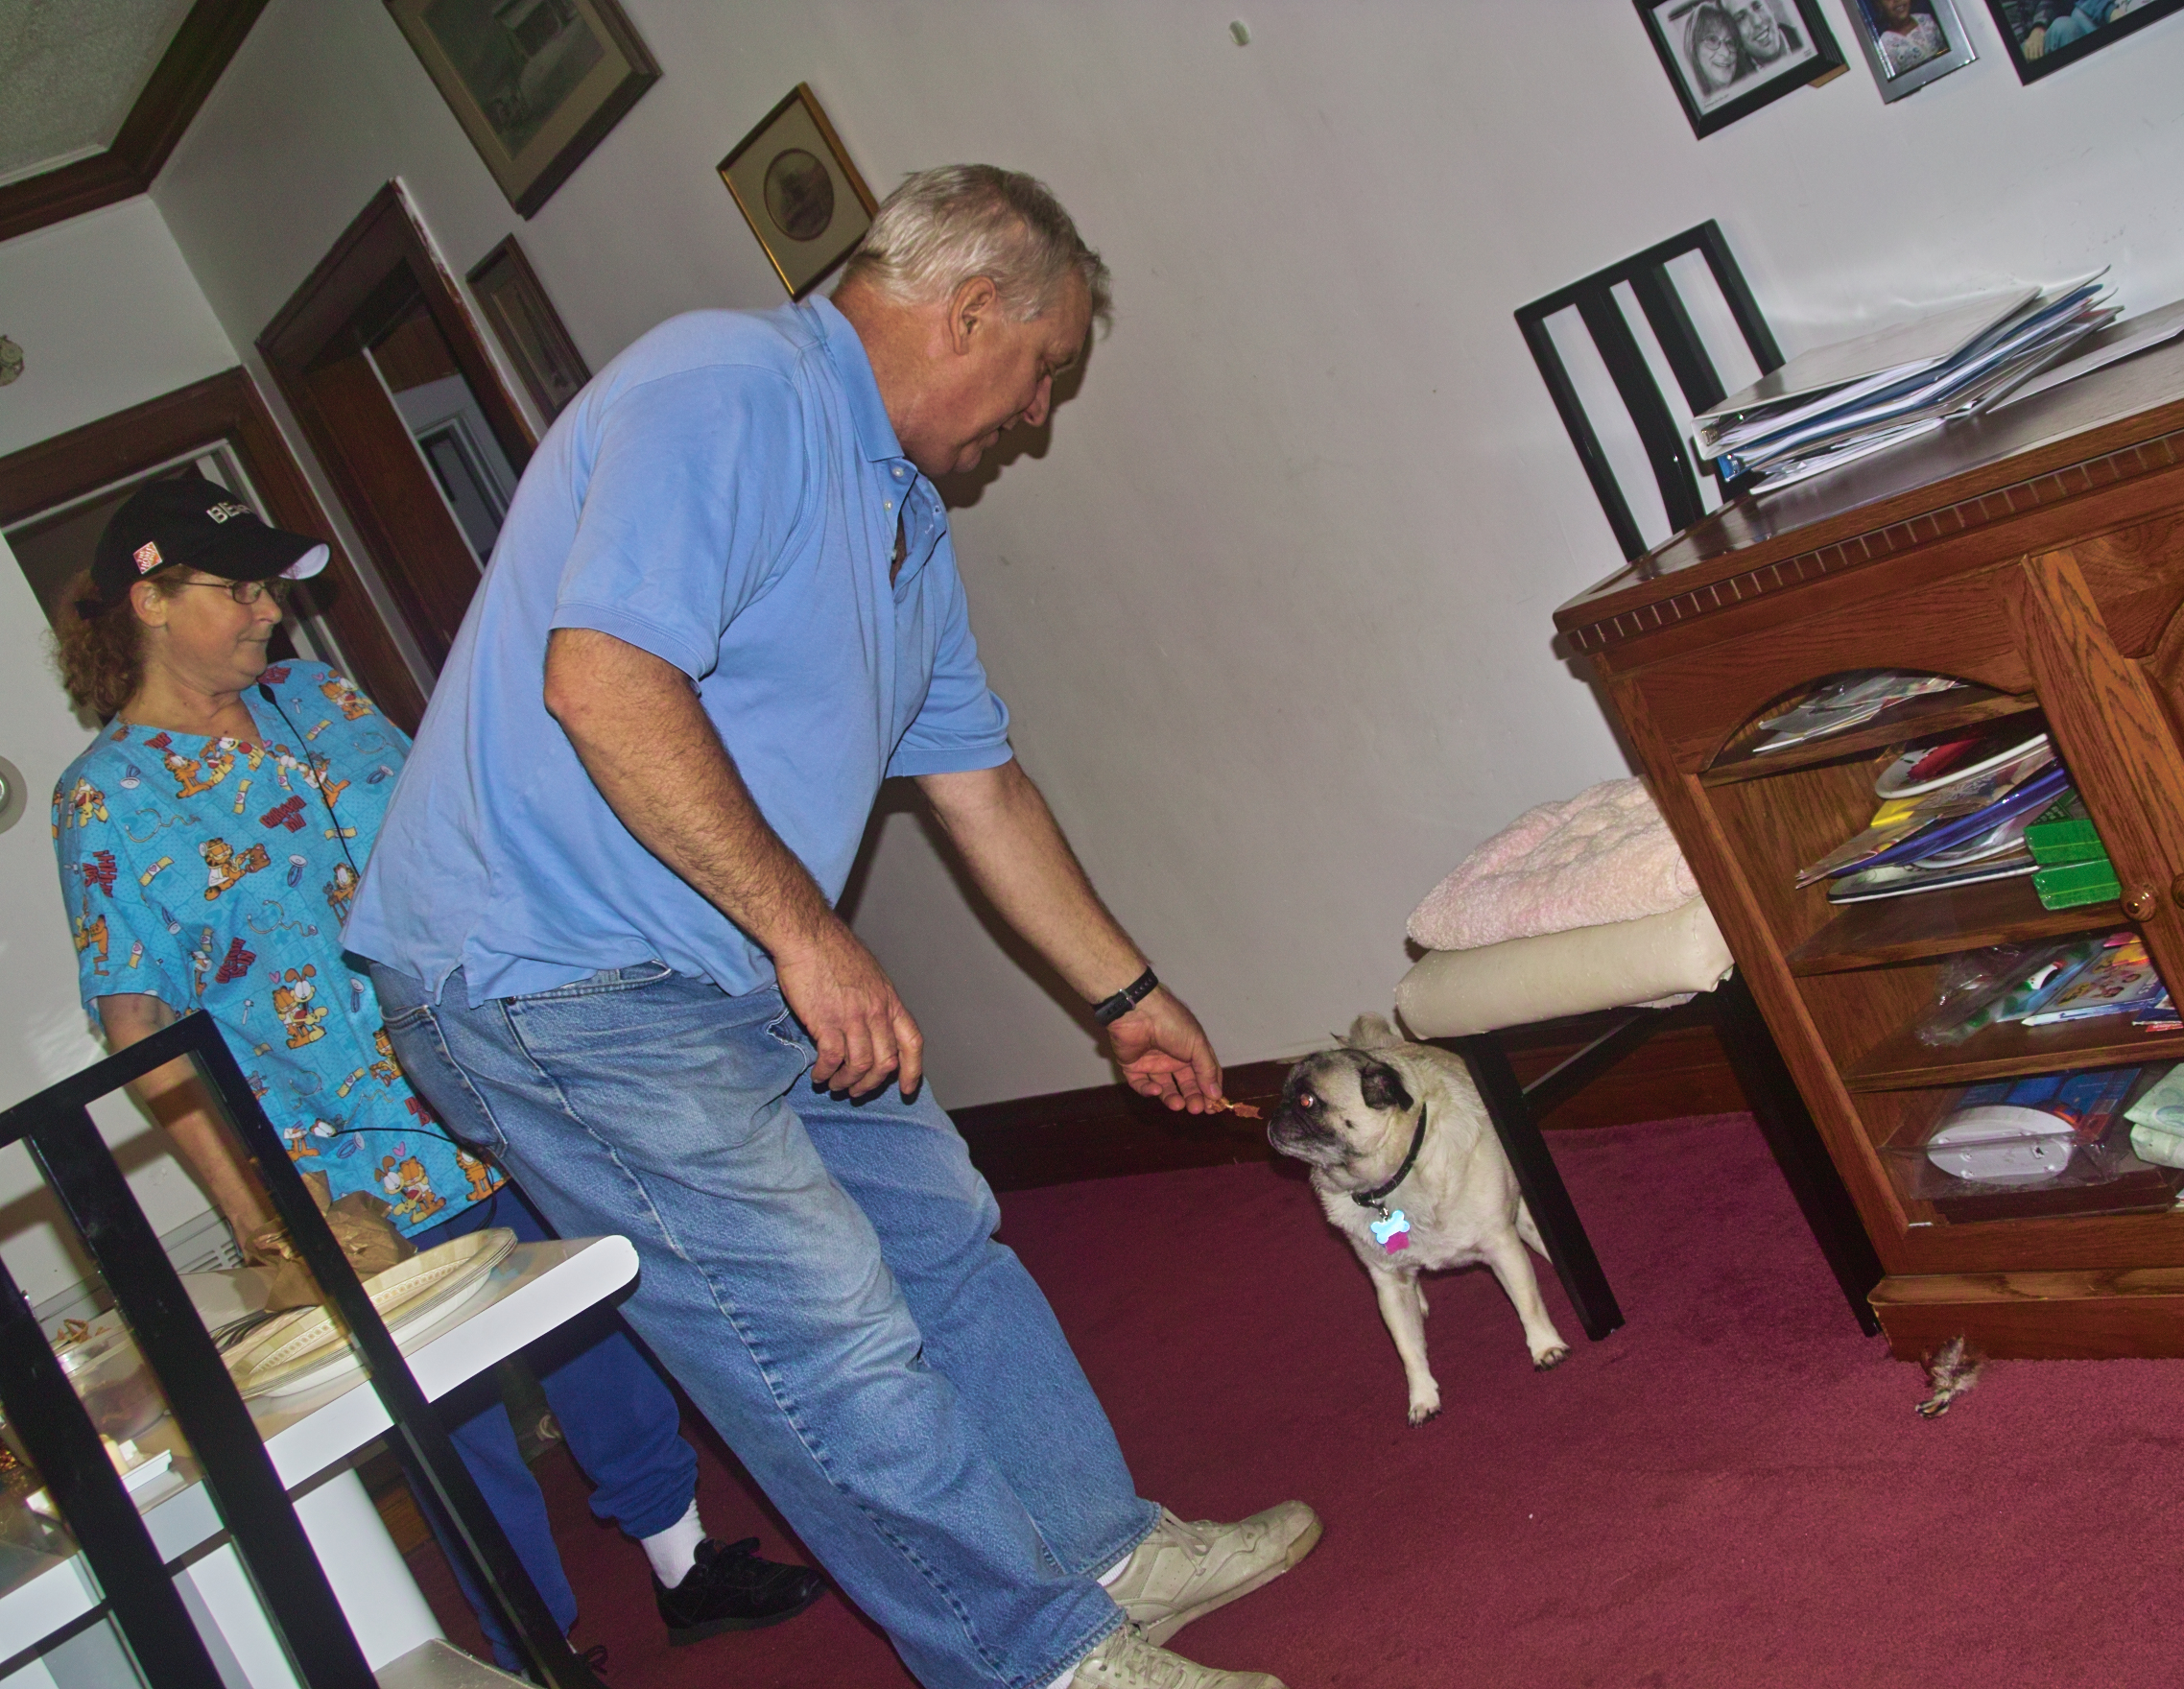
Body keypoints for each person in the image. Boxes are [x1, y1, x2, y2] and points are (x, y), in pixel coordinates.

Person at [344, 165, 1318, 1689]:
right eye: (1044, 368)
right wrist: (811, 935)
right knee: (820, 1319)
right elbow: (604, 684)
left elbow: (980, 787)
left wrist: (1128, 994)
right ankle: (1040, 1662)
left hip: (723, 955)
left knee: (938, 1229)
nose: (1039, 413)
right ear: (970, 309)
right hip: (553, 976)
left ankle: (1097, 1551)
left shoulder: (903, 515)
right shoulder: (728, 387)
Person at [44, 474, 825, 1672]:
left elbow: (460, 839)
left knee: (593, 1317)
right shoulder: (106, 799)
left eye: (270, 588)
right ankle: (537, 1646)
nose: (270, 612)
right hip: (344, 1160)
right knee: (452, 1417)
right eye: (238, 590)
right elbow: (141, 1037)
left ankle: (685, 1561)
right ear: (150, 599)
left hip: (495, 1071)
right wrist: (261, 1219)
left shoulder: (320, 696)